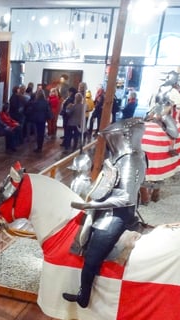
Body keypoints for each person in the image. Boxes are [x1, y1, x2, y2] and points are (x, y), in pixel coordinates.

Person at [62, 118, 146, 308]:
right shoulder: (122, 157)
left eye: (112, 137)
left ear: (124, 137)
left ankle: (84, 296)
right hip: (107, 208)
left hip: (117, 215)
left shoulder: (131, 159)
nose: (109, 141)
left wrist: (91, 206)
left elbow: (126, 198)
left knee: (93, 256)